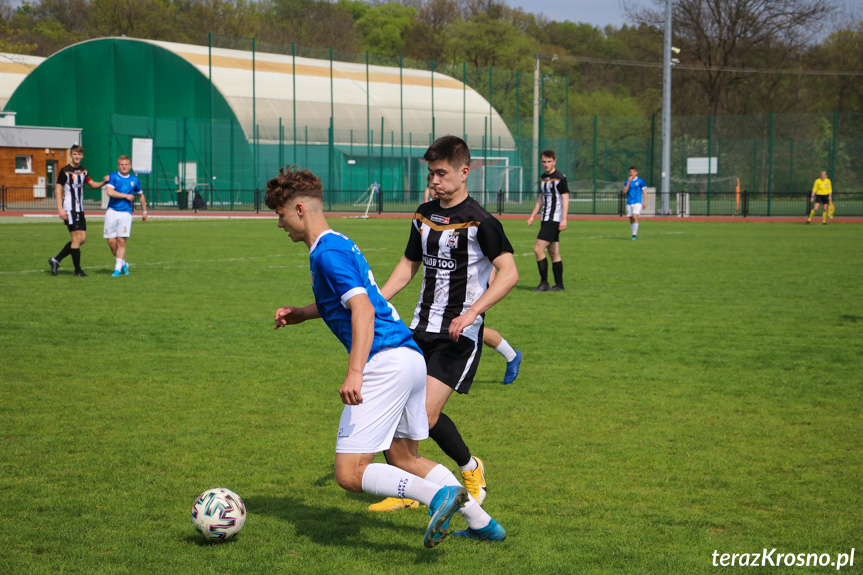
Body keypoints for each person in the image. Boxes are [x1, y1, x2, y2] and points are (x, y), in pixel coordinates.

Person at [266, 166, 506, 546]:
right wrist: (302, 313)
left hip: (383, 363)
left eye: (279, 216)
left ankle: (436, 497)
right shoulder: (339, 242)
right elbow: (354, 302)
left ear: (298, 209)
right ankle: (483, 523)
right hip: (409, 358)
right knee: (404, 458)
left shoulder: (327, 254)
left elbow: (362, 310)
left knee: (349, 473)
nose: (279, 225)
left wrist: (355, 372)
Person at [369, 135, 519, 514]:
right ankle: (409, 487)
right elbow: (408, 264)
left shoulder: (482, 221)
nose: (434, 181)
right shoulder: (423, 214)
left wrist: (472, 314)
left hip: (458, 336)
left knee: (424, 413)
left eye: (441, 173)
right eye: (431, 173)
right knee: (399, 407)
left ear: (464, 172)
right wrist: (377, 301)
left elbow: (509, 273)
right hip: (419, 329)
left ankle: (471, 468)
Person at [424, 174, 522, 385]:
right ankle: (512, 355)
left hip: (470, 292)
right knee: (466, 330)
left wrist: (489, 283)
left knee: (469, 329)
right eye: (431, 185)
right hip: (441, 302)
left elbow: (488, 258)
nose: (435, 188)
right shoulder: (430, 213)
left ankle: (512, 355)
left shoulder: (474, 217)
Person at [48, 145, 107, 277]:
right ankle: (78, 270)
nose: (77, 156)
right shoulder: (65, 171)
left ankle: (55, 260)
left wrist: (104, 182)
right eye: (75, 154)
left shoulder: (83, 171)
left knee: (82, 239)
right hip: (70, 209)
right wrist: (60, 209)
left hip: (80, 209)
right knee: (76, 238)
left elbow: (92, 184)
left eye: (79, 154)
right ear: (71, 155)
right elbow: (58, 189)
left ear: (82, 156)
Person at [527, 150, 569, 291]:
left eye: (549, 161)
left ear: (554, 161)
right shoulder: (543, 178)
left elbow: (565, 198)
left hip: (554, 219)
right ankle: (559, 285)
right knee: (553, 252)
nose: (546, 164)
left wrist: (563, 219)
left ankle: (544, 283)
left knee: (538, 249)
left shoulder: (560, 178)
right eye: (544, 162)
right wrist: (533, 215)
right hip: (545, 219)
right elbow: (541, 199)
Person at [104, 155, 148, 277]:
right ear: (118, 166)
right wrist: (125, 196)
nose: (124, 166)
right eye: (122, 165)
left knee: (121, 241)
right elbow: (109, 192)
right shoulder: (112, 176)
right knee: (111, 242)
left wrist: (144, 211)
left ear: (130, 166)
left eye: (126, 164)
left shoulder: (134, 180)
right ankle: (123, 263)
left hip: (126, 213)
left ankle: (117, 269)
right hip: (112, 211)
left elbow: (141, 195)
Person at [622, 166, 646, 241]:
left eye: (633, 172)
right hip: (629, 201)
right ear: (629, 173)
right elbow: (625, 191)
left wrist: (645, 201)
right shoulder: (627, 181)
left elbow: (644, 191)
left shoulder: (640, 181)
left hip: (637, 201)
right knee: (631, 218)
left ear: (636, 172)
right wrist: (629, 182)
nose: (632, 173)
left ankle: (634, 235)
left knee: (635, 216)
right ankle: (633, 234)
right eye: (630, 172)